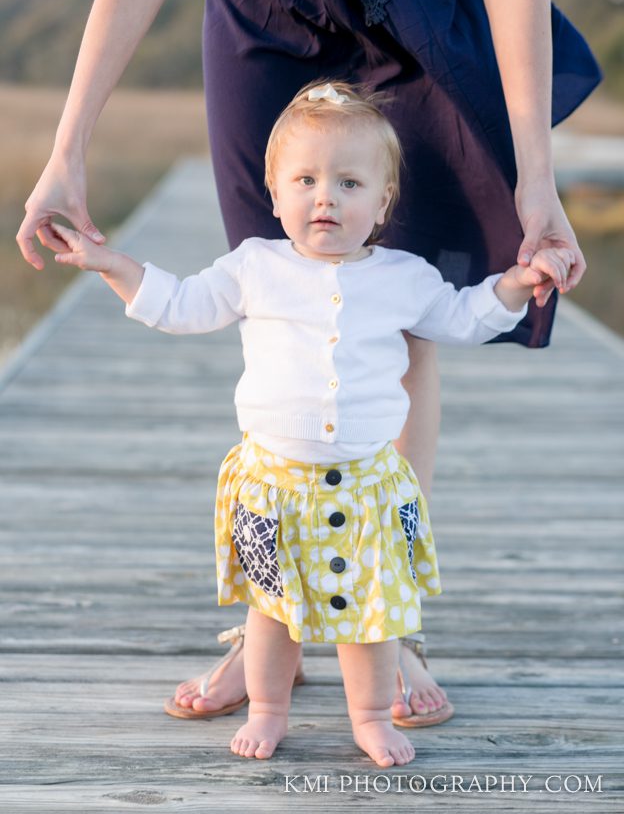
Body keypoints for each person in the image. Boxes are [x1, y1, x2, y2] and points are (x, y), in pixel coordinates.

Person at [16, 0, 600, 724]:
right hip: (264, 1)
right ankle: (271, 623)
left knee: (400, 315)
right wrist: (67, 150)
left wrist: (537, 176)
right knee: (278, 287)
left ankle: (388, 617)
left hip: (423, 0)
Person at [49, 81, 575, 765]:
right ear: (273, 195)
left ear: (383, 204)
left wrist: (514, 285)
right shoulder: (254, 267)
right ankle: (269, 708)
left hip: (366, 487)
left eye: (349, 182)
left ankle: (367, 718)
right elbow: (179, 305)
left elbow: (464, 317)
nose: (324, 196)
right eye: (305, 179)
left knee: (370, 618)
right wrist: (112, 265)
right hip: (273, 486)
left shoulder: (403, 276)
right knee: (270, 613)